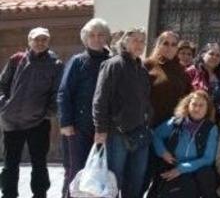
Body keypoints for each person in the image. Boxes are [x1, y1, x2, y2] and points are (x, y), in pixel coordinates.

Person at [0, 27, 64, 198]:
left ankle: (40, 194)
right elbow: (2, 84)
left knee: (39, 163)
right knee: (10, 164)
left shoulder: (55, 65)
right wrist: (3, 105)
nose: (40, 42)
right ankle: (8, 194)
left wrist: (46, 114)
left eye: (44, 39)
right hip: (12, 122)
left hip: (38, 123)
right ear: (29, 41)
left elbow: (56, 93)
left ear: (48, 42)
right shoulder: (16, 60)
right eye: (36, 39)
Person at [93, 28, 153, 198]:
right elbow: (100, 99)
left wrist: (148, 116)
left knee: (136, 179)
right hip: (116, 133)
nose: (139, 44)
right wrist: (100, 129)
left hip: (140, 132)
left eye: (142, 41)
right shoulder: (113, 64)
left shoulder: (141, 69)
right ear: (125, 42)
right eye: (135, 40)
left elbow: (145, 99)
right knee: (113, 180)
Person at [57, 18, 112, 197]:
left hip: (104, 126)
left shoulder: (113, 62)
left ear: (106, 38)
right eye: (92, 35)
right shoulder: (77, 61)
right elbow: (64, 93)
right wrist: (66, 122)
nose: (96, 39)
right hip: (78, 127)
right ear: (86, 38)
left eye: (100, 35)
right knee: (76, 172)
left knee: (99, 174)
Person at [151, 90, 219, 196]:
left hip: (195, 170)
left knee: (205, 175)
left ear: (207, 109)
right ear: (188, 106)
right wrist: (163, 152)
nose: (197, 108)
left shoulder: (211, 128)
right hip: (172, 167)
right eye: (194, 104)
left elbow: (208, 158)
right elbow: (156, 135)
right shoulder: (176, 122)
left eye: (201, 105)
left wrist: (182, 169)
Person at [145, 32, 193, 127]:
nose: (169, 47)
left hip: (174, 125)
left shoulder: (181, 69)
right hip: (151, 125)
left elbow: (187, 96)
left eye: (173, 44)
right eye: (165, 43)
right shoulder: (147, 65)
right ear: (158, 45)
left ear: (177, 48)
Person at [186, 43, 220, 120]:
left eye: (218, 55)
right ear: (203, 55)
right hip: (193, 117)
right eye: (211, 54)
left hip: (216, 118)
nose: (214, 57)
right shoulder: (191, 72)